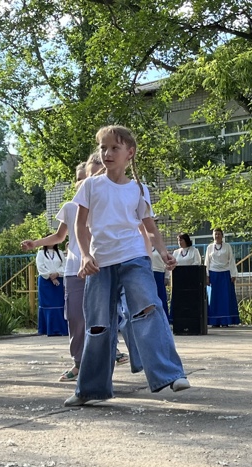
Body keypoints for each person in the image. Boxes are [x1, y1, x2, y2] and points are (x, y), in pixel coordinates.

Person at [64, 125, 189, 406]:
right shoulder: (90, 186)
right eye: (103, 148)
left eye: (114, 148)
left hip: (134, 257)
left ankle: (171, 374)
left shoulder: (139, 189)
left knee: (149, 310)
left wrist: (163, 252)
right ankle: (89, 389)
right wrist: (85, 256)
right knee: (98, 325)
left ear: (129, 153)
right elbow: (80, 226)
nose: (107, 153)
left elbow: (150, 228)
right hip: (101, 263)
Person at [21, 156, 135, 382]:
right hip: (75, 269)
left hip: (101, 268)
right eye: (80, 178)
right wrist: (36, 243)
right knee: (75, 317)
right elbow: (60, 236)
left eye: (90, 176)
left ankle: (108, 357)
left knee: (104, 316)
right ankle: (79, 363)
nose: (83, 181)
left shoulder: (107, 204)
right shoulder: (70, 207)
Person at [205, 228, 240, 327]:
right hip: (213, 274)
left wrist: (233, 274)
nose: (217, 236)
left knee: (225, 297)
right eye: (215, 234)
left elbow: (231, 260)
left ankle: (225, 321)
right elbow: (207, 262)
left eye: (219, 234)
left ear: (222, 235)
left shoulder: (227, 246)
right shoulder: (210, 247)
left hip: (225, 274)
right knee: (214, 298)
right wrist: (206, 276)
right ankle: (214, 321)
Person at [35, 243, 68, 336]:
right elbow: (40, 267)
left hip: (58, 280)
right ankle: (47, 329)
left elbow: (64, 265)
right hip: (46, 281)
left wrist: (57, 273)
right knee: (47, 304)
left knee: (59, 303)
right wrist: (50, 276)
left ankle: (60, 329)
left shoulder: (60, 253)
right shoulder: (41, 253)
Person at [149, 245, 170, 318]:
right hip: (148, 273)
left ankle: (164, 317)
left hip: (159, 273)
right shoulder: (145, 247)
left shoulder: (160, 248)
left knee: (161, 296)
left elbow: (167, 263)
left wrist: (167, 276)